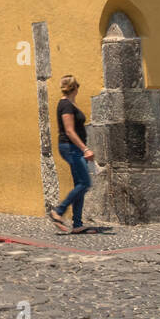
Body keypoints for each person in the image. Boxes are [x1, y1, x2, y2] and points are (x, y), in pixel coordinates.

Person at [49, 74, 97, 234]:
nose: (79, 88)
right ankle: (58, 211)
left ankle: (77, 224)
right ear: (74, 87)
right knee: (85, 182)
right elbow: (69, 131)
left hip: (73, 148)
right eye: (78, 85)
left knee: (80, 185)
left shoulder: (70, 104)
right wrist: (85, 149)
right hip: (70, 148)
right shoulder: (66, 105)